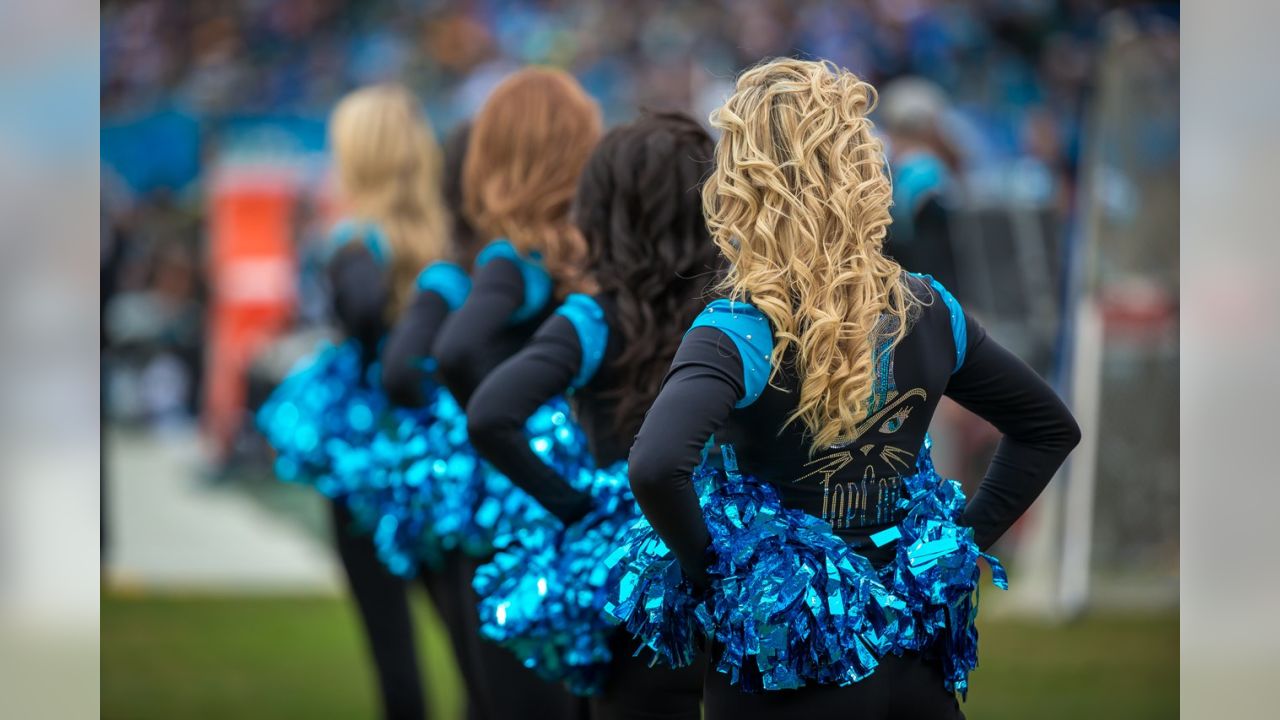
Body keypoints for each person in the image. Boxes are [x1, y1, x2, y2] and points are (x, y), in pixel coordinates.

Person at [612, 58, 1081, 720]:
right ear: (863, 166)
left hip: (790, 672)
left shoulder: (742, 325)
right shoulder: (929, 307)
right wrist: (954, 551)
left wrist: (714, 576)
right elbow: (1048, 427)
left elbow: (655, 464)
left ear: (743, 181)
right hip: (915, 671)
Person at [463, 113, 717, 719]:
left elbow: (489, 417)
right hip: (728, 569)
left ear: (602, 210)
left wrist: (577, 507)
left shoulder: (593, 320)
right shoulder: (734, 313)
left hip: (626, 586)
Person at [256, 83, 450, 720]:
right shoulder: (448, 238)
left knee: (394, 654)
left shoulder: (354, 246)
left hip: (367, 460)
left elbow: (363, 313)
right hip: (447, 458)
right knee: (478, 643)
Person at [429, 66, 603, 720]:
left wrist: (510, 440)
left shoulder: (511, 257)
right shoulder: (583, 256)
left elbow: (451, 350)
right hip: (576, 506)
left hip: (516, 516)